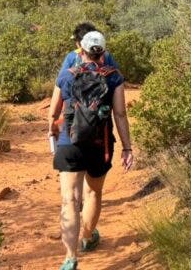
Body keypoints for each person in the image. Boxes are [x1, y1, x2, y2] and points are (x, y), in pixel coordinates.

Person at [48, 31, 134, 270]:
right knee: (93, 194)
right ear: (103, 52)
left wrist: (52, 131)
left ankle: (70, 258)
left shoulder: (66, 75)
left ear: (81, 51)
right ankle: (87, 238)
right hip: (100, 145)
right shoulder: (113, 77)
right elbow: (120, 114)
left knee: (69, 200)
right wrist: (127, 147)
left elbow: (54, 111)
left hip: (69, 144)